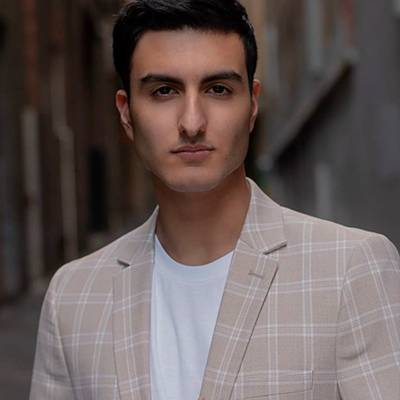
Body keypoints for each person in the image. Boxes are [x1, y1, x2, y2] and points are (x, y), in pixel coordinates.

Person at [30, 1, 400, 399]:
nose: (192, 123)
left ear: (252, 105)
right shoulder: (73, 297)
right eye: (164, 91)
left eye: (218, 89)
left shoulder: (349, 270)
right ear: (126, 113)